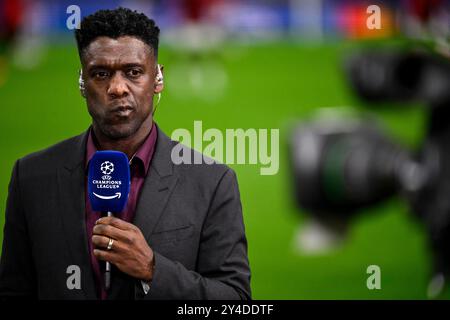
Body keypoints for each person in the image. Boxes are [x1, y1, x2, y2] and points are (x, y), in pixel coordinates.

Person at [0, 7, 251, 300]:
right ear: (82, 82)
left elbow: (236, 300)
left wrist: (154, 271)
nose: (117, 88)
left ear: (158, 78)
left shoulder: (213, 182)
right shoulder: (31, 177)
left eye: (133, 72)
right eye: (101, 74)